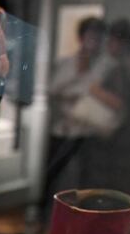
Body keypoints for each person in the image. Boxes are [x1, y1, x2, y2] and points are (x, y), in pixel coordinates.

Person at [41, 16, 108, 223]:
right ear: (81, 38)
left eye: (98, 37)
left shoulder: (105, 65)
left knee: (88, 179)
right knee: (51, 173)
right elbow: (53, 89)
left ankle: (85, 221)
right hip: (63, 128)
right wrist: (78, 76)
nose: (94, 42)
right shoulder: (66, 63)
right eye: (91, 36)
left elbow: (101, 94)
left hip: (89, 131)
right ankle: (44, 217)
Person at [86, 18, 130, 193]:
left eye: (111, 40)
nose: (108, 45)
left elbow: (122, 104)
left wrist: (95, 90)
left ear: (122, 43)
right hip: (116, 137)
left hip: (119, 138)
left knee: (117, 189)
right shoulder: (122, 68)